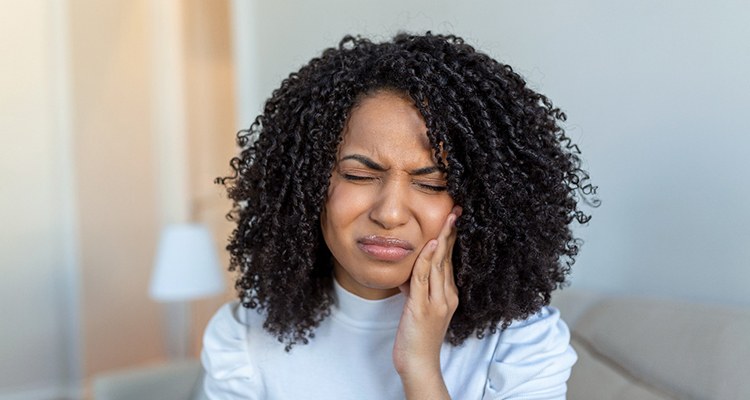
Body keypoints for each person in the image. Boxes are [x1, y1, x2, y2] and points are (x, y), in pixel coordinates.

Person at [202, 32, 597, 399]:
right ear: (308, 185)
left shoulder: (520, 343)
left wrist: (420, 367)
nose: (389, 214)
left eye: (432, 184)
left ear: (485, 202)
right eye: (359, 175)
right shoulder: (243, 340)